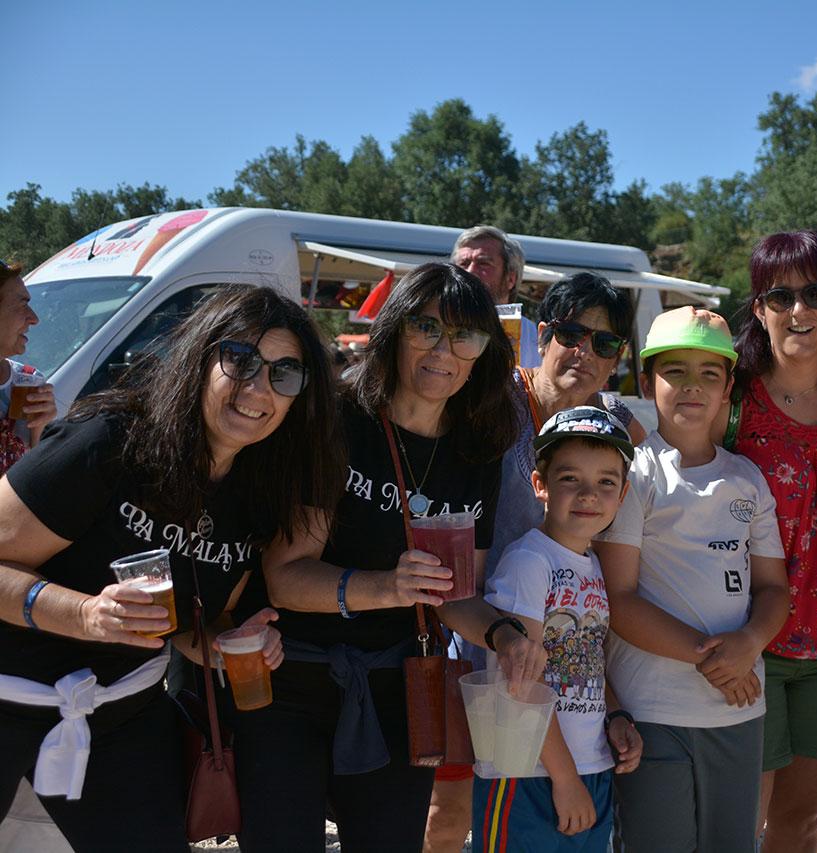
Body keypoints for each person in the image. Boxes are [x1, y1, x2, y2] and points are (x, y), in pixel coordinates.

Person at [0, 284, 340, 851]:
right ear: (200, 358)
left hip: (121, 715)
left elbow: (188, 625)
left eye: (285, 374)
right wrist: (84, 614)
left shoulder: (258, 492)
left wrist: (225, 644)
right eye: (241, 359)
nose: (260, 387)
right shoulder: (108, 443)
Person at [241, 264, 547, 853]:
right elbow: (285, 577)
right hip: (292, 681)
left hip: (399, 686)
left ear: (484, 352)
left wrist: (506, 637)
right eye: (425, 327)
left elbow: (456, 596)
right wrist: (387, 586)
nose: (443, 350)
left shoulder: (477, 451)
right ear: (393, 332)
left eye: (464, 336)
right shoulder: (339, 421)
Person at [425, 271, 645, 853]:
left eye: (605, 342)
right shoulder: (491, 405)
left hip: (555, 643)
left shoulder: (611, 422)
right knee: (447, 810)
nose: (586, 352)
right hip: (472, 634)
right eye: (572, 334)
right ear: (542, 334)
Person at [596, 306, 790, 852]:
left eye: (709, 373)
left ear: (728, 388)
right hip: (652, 710)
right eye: (674, 371)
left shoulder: (747, 478)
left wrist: (749, 642)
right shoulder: (632, 474)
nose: (691, 386)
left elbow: (774, 590)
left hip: (738, 708)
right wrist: (714, 659)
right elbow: (619, 600)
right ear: (646, 382)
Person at [718, 231, 817, 853]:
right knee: (740, 828)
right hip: (746, 642)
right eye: (779, 297)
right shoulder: (732, 397)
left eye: (815, 294)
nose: (798, 310)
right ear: (759, 310)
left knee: (801, 826)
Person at [474, 406, 643, 852]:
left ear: (622, 494)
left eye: (606, 482)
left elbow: (587, 658)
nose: (589, 494)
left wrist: (616, 715)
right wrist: (565, 779)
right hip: (526, 772)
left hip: (589, 765)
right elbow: (520, 680)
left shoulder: (593, 565)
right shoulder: (528, 561)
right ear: (540, 484)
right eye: (570, 478)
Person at [451, 225, 541, 368]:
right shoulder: (436, 325)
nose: (470, 271)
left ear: (510, 279)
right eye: (464, 263)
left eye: (483, 264)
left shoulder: (531, 336)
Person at [0, 261, 56, 476]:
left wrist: (40, 430)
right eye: (22, 304)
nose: (34, 318)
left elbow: (35, 476)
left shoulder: (28, 381)